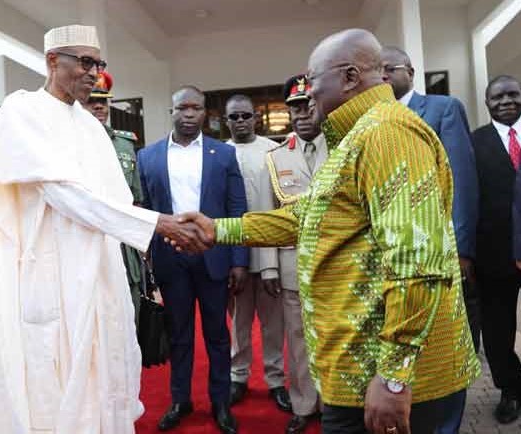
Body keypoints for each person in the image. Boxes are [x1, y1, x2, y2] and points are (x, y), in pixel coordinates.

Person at [175, 29, 481, 434]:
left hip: (395, 383)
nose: (308, 92)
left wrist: (394, 374)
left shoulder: (387, 134)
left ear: (351, 76)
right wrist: (219, 229)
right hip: (358, 371)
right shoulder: (359, 136)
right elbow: (306, 218)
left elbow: (417, 262)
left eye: (313, 81)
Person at [0, 25, 211, 434]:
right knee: (51, 381)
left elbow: (116, 203)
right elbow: (65, 195)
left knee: (104, 374)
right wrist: (160, 224)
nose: (93, 73)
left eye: (98, 64)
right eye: (84, 62)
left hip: (98, 271)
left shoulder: (91, 126)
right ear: (51, 61)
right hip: (45, 272)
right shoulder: (21, 111)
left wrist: (151, 235)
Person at [380, 46, 480, 434]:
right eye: (380, 71)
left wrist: (462, 248)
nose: (385, 77)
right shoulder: (376, 119)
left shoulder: (442, 109)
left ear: (411, 71)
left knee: (445, 343)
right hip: (399, 256)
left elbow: (462, 182)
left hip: (442, 249)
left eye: (391, 69)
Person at [137, 85, 248, 434]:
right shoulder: (148, 157)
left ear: (205, 113)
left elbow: (237, 209)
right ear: (171, 111)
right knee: (179, 335)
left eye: (195, 108)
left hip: (214, 258)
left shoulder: (223, 155)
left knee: (217, 334)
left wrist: (239, 261)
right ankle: (180, 400)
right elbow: (144, 211)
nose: (188, 114)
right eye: (181, 108)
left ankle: (220, 404)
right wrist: (148, 263)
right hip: (170, 260)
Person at [265, 74, 328, 434]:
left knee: (338, 334)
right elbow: (271, 217)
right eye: (294, 107)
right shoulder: (277, 157)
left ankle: (336, 401)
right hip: (293, 265)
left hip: (339, 264)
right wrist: (270, 268)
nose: (301, 113)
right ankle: (304, 404)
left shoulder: (342, 147)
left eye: (307, 105)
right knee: (299, 338)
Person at [223, 94, 290, 413]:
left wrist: (272, 263)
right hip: (234, 252)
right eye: (233, 117)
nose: (239, 122)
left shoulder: (272, 152)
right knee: (239, 322)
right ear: (226, 121)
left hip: (268, 251)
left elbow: (279, 206)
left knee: (272, 322)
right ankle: (238, 376)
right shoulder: (219, 153)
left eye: (245, 116)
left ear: (256, 119)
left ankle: (276, 379)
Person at [473, 74, 521, 424]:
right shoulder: (475, 142)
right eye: (498, 97)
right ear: (487, 103)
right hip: (495, 255)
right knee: (497, 329)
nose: (506, 101)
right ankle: (510, 390)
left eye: (513, 95)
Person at [81, 70, 144, 326]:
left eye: (103, 101)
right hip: (89, 241)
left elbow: (136, 200)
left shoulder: (124, 144)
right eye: (91, 101)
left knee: (130, 315)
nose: (98, 106)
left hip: (123, 242)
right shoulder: (72, 143)